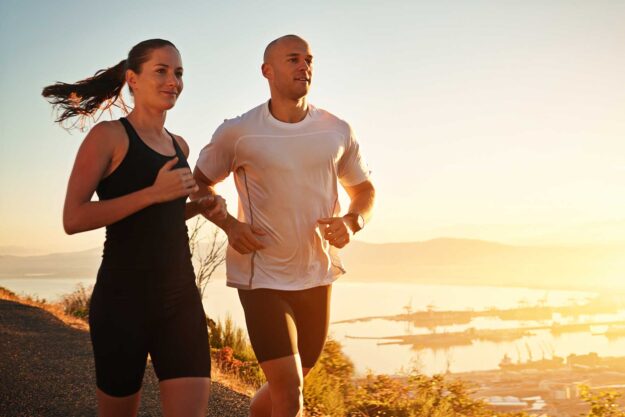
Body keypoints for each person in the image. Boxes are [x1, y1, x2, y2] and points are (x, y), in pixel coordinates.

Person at [193, 34, 376, 417]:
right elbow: (199, 183)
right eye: (293, 59)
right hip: (261, 276)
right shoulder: (238, 131)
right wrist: (229, 224)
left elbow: (363, 189)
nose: (304, 66)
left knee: (285, 388)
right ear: (267, 71)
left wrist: (353, 220)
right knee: (290, 391)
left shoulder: (336, 129)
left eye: (308, 59)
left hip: (316, 275)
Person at [42, 39, 226, 417]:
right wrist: (153, 194)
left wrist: (196, 206)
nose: (173, 80)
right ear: (133, 79)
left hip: (180, 299)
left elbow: (161, 216)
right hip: (123, 302)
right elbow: (73, 218)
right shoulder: (108, 137)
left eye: (178, 73)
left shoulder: (180, 146)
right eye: (161, 70)